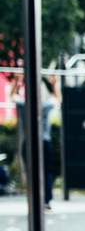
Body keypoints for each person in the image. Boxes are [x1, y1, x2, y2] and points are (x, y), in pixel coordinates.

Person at [13, 75, 58, 210]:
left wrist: (17, 81)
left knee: (31, 172)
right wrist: (54, 84)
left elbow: (12, 96)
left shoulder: (23, 105)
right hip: (44, 142)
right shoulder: (45, 106)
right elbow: (57, 98)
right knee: (47, 171)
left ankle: (34, 199)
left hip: (29, 142)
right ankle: (46, 200)